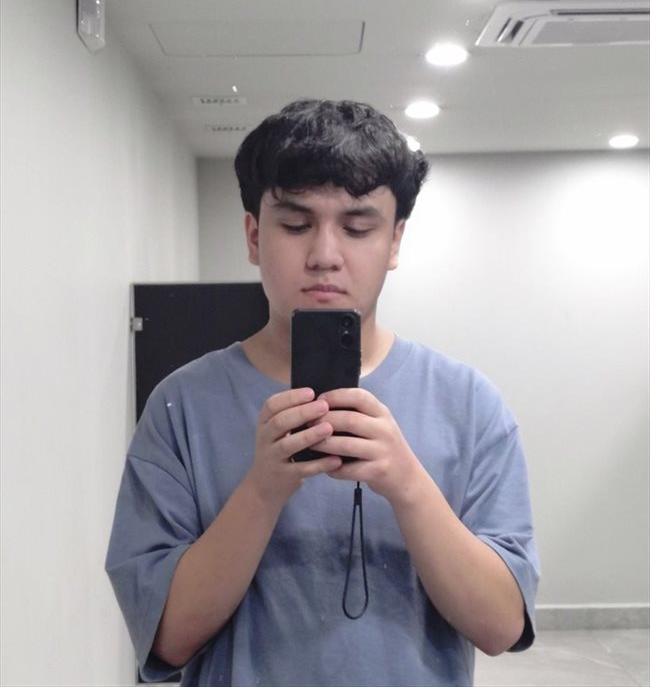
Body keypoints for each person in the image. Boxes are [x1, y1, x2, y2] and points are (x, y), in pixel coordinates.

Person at [106, 98, 539, 687]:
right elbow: (166, 638)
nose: (325, 257)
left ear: (394, 242)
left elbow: (501, 627)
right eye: (295, 225)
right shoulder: (181, 406)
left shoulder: (468, 405)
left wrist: (408, 485)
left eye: (358, 228)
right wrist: (262, 491)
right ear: (254, 236)